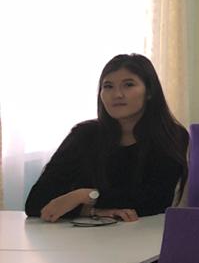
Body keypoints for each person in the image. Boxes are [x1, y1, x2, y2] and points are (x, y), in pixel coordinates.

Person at [26, 53, 188, 222]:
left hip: (144, 233)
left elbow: (155, 201)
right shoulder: (83, 134)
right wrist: (92, 211)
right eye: (108, 86)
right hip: (82, 236)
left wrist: (84, 196)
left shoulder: (171, 135)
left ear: (149, 92)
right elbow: (37, 202)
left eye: (128, 85)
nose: (117, 94)